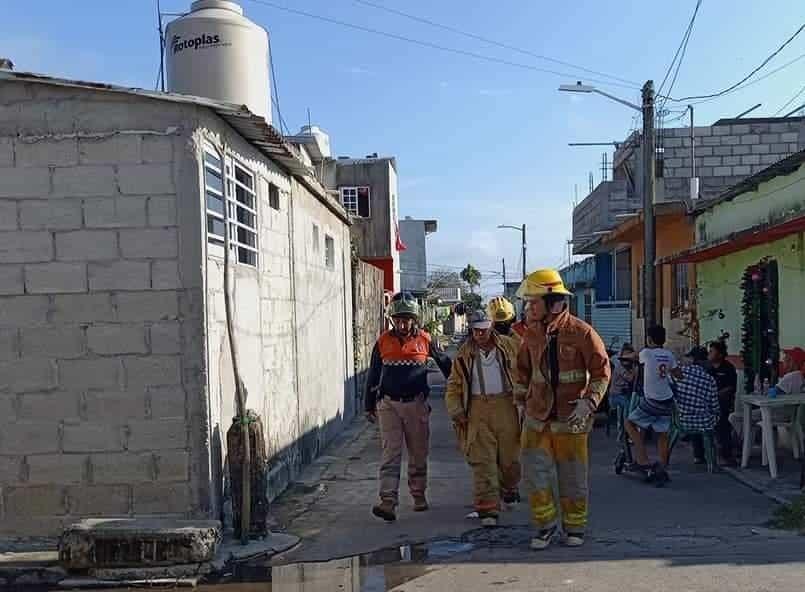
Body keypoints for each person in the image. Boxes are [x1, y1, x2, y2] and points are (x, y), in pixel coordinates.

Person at [515, 269, 610, 550]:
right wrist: (521, 403)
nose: (529, 307)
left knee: (572, 477)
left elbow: (602, 372)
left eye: (534, 302)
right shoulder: (530, 335)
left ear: (553, 303)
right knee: (535, 476)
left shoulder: (582, 333)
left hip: (570, 420)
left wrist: (590, 401)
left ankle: (575, 528)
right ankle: (544, 527)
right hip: (536, 420)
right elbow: (521, 371)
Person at [365, 292, 452, 522]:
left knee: (418, 452)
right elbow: (373, 374)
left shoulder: (425, 339)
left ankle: (418, 495)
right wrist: (368, 405)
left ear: (414, 318)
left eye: (407, 319)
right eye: (398, 319)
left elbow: (447, 366)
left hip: (416, 404)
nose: (403, 323)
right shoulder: (383, 341)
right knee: (390, 453)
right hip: (389, 405)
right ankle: (387, 501)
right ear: (393, 319)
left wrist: (458, 392)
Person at [445, 310, 521, 527]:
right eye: (476, 330)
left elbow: (526, 368)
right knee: (483, 461)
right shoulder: (464, 354)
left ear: (491, 327)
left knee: (510, 460)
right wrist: (456, 409)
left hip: (507, 406)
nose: (480, 334)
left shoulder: (510, 345)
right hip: (477, 409)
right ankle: (487, 509)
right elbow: (454, 385)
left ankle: (509, 488)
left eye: (484, 329)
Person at [624, 325, 681, 479]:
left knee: (629, 423)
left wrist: (623, 357)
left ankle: (642, 458)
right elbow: (678, 375)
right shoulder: (669, 355)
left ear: (649, 339)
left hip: (652, 401)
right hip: (667, 401)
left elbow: (633, 356)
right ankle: (663, 466)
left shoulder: (646, 353)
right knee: (662, 434)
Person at [674, 346, 720, 464]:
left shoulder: (680, 372)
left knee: (693, 413)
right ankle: (709, 460)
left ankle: (698, 456)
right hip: (703, 422)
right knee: (706, 416)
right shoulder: (710, 380)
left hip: (680, 421)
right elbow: (714, 406)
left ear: (692, 359)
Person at [707, 340, 738, 465]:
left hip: (723, 403)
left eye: (712, 351)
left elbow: (731, 387)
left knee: (722, 424)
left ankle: (726, 456)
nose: (709, 354)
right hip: (707, 403)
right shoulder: (707, 368)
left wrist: (716, 395)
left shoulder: (729, 368)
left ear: (719, 354)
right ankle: (699, 455)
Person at [609, 344, 638, 441]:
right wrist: (635, 368)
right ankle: (625, 432)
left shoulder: (628, 366)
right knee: (628, 405)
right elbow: (630, 378)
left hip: (625, 394)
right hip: (616, 396)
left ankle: (627, 431)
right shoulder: (619, 366)